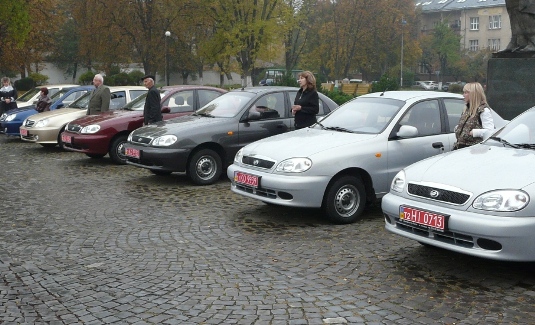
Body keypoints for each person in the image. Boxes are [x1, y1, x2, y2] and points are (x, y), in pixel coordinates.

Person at [453, 82, 495, 150]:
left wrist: (475, 132)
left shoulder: (483, 110)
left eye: (466, 93)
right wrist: (458, 128)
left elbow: (490, 132)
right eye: (464, 92)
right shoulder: (467, 109)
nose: (463, 95)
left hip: (474, 150)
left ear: (474, 94)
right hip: (460, 149)